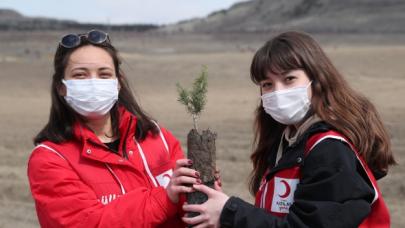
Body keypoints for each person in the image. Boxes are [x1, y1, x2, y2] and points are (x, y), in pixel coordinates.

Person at [182, 31, 396, 228]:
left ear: (317, 79)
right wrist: (221, 206)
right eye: (267, 84)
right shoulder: (287, 142)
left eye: (289, 79)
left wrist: (230, 212)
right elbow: (279, 217)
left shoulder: (330, 149)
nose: (278, 92)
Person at [27, 30, 201, 227]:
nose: (93, 83)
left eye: (104, 74)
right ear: (61, 87)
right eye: (80, 75)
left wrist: (200, 187)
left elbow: (188, 208)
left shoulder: (155, 136)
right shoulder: (50, 159)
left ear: (118, 83)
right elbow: (88, 223)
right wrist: (166, 197)